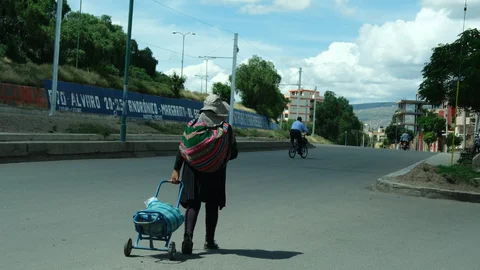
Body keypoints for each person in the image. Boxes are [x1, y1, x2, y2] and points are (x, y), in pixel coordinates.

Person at [170, 94, 238, 255]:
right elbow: (233, 153)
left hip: (191, 172)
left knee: (193, 204)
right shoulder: (226, 130)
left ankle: (188, 237)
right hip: (216, 173)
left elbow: (183, 149)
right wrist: (216, 156)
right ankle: (209, 241)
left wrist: (176, 169)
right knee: (212, 205)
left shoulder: (192, 125)